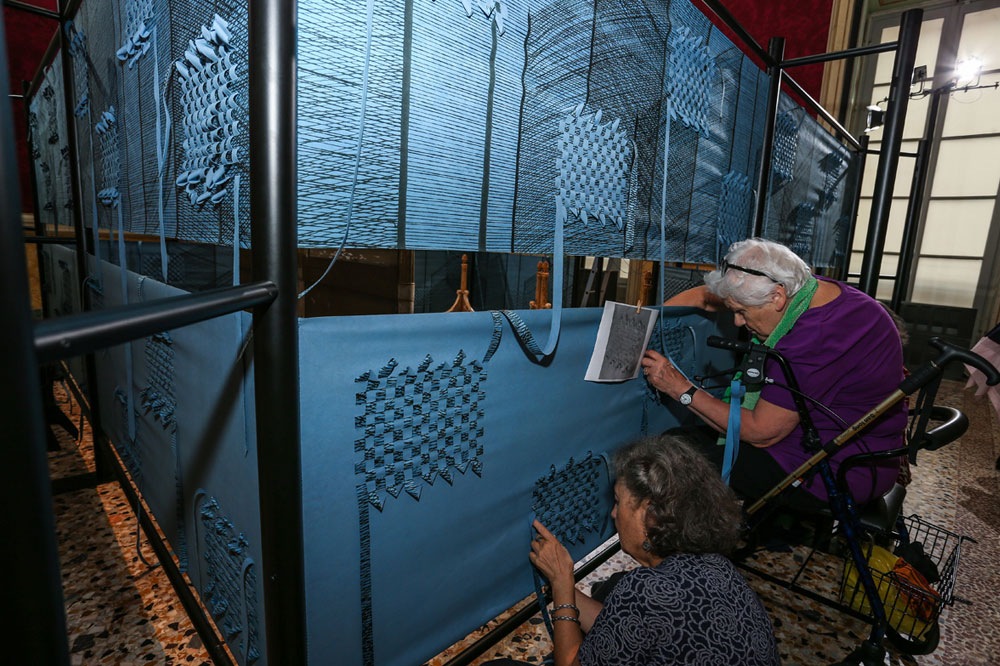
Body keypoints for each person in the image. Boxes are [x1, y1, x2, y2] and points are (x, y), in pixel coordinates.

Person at [640, 238, 906, 508]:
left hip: (840, 469)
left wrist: (680, 389)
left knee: (672, 462)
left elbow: (761, 431)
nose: (737, 322)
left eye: (742, 312)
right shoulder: (808, 291)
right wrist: (646, 327)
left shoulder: (815, 337)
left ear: (777, 297)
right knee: (680, 440)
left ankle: (698, 541)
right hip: (844, 444)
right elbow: (704, 298)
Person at [528, 435, 780, 666]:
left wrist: (561, 588)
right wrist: (563, 582)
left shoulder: (643, 590)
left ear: (650, 515)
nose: (614, 513)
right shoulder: (720, 567)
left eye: (618, 501)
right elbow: (626, 631)